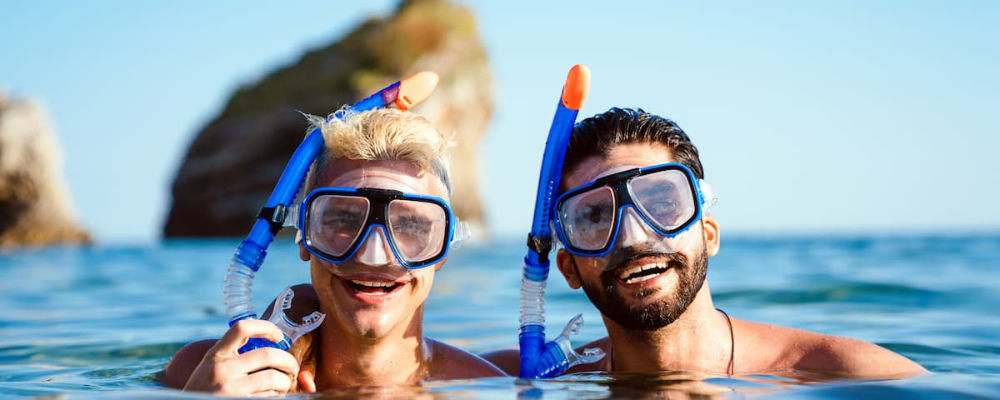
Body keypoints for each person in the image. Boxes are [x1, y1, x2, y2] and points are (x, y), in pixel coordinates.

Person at [483, 107, 926, 379]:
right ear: (569, 268)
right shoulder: (532, 377)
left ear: (708, 234)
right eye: (595, 218)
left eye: (661, 202)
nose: (634, 236)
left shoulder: (843, 375)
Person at [164, 108, 504, 396]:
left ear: (442, 247)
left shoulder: (489, 389)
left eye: (409, 226)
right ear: (303, 236)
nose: (374, 255)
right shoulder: (207, 374)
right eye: (343, 219)